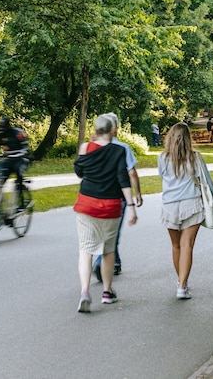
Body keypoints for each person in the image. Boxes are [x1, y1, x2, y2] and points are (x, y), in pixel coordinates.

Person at [73, 114, 137, 313]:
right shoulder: (119, 151)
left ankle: (85, 291)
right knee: (108, 251)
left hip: (86, 204)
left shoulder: (85, 147)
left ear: (96, 130)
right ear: (113, 131)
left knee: (86, 250)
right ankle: (107, 292)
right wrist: (132, 205)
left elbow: (79, 171)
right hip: (111, 206)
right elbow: (123, 179)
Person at [158, 122, 212, 299]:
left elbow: (163, 177)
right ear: (188, 139)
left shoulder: (163, 158)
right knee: (187, 245)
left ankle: (182, 282)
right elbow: (206, 181)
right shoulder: (195, 157)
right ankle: (182, 286)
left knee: (176, 245)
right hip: (192, 204)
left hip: (170, 205)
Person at [92, 112, 142, 281]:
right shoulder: (122, 148)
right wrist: (138, 194)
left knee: (106, 232)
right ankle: (102, 262)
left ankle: (114, 262)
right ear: (114, 129)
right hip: (116, 196)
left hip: (96, 196)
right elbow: (132, 172)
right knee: (112, 233)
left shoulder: (93, 146)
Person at [0, 117, 31, 191]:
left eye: (3, 127)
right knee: (1, 175)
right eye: (0, 127)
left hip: (21, 159)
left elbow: (26, 147)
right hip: (9, 159)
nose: (2, 130)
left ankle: (20, 193)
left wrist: (21, 152)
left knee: (18, 171)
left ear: (8, 126)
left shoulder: (17, 133)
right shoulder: (0, 134)